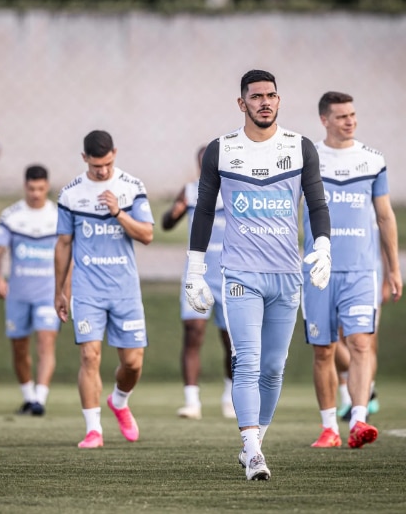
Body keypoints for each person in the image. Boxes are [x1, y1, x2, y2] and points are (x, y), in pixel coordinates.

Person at [184, 69, 331, 481]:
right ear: (242, 103)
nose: (264, 102)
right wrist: (195, 271)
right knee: (245, 361)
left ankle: (255, 441)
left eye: (270, 95)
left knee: (274, 367)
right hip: (241, 275)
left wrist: (323, 246)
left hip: (287, 276)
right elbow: (205, 212)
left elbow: (316, 205)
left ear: (278, 101)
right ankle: (252, 451)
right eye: (256, 96)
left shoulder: (300, 147)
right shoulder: (221, 149)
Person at [302, 91, 399, 449]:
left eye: (353, 115)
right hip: (318, 271)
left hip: (361, 271)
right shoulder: (308, 158)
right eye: (342, 116)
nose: (350, 121)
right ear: (324, 120)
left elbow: (385, 216)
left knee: (360, 343)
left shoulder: (373, 160)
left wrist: (393, 268)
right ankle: (330, 427)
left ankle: (358, 420)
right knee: (324, 350)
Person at [54, 131, 154, 449]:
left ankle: (120, 401)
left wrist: (118, 213)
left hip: (124, 289)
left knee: (133, 362)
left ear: (115, 153)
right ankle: (93, 430)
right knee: (89, 355)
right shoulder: (71, 194)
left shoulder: (132, 187)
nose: (102, 171)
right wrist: (60, 290)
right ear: (84, 159)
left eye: (108, 163)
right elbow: (64, 244)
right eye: (96, 165)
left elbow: (147, 235)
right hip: (87, 290)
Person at [161, 147, 235, 420]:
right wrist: (176, 210)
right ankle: (192, 400)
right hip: (198, 275)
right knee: (193, 333)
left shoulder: (235, 192)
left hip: (229, 275)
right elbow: (166, 224)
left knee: (231, 341)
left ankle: (230, 396)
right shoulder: (191, 191)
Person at [0, 164, 60, 417]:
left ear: (47, 187)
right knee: (20, 348)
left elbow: (68, 254)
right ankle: (28, 396)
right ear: (25, 187)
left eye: (41, 188)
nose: (36, 193)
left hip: (47, 293)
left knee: (45, 343)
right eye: (31, 188)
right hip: (18, 293)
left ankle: (40, 399)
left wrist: (65, 288)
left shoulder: (57, 217)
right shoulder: (11, 216)